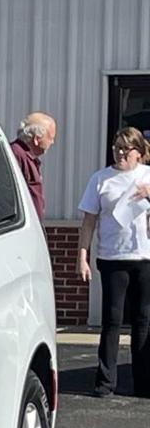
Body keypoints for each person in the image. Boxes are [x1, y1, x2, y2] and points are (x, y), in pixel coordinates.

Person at [76, 127, 150, 397]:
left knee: (143, 321)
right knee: (112, 321)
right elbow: (88, 222)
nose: (119, 153)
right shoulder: (101, 179)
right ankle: (106, 382)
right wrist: (81, 257)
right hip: (112, 258)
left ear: (139, 154)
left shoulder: (148, 176)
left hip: (144, 257)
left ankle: (143, 382)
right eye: (116, 147)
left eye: (125, 149)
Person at [10, 112, 57, 219]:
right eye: (50, 137)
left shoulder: (27, 157)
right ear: (36, 139)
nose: (52, 142)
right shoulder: (17, 155)